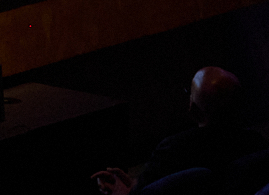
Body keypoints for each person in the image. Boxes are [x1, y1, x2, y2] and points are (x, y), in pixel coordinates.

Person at [93, 67, 266, 194]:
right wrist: (134, 183)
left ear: (193, 109)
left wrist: (124, 191)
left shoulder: (172, 150)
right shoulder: (257, 145)